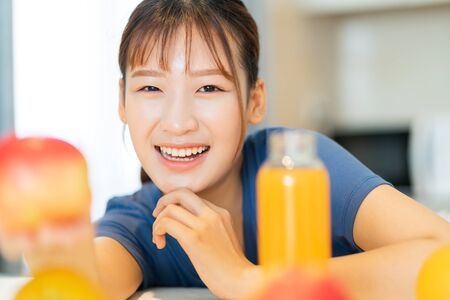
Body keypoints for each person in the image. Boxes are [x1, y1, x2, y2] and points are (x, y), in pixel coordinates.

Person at [1, 1, 450, 299]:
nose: (178, 122)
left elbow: (441, 254)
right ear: (122, 100)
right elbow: (85, 284)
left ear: (255, 100)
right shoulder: (138, 225)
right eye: (151, 87)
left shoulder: (298, 167)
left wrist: (247, 280)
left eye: (209, 86)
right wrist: (48, 231)